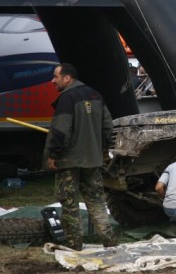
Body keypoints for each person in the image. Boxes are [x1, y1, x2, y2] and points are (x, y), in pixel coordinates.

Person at [44, 63, 118, 250]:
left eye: (56, 77)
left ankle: (75, 244)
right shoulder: (96, 95)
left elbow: (60, 130)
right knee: (96, 201)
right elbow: (108, 127)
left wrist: (53, 154)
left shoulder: (66, 98)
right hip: (93, 160)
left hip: (68, 161)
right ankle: (109, 241)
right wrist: (104, 149)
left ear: (67, 78)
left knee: (69, 204)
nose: (53, 81)